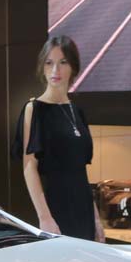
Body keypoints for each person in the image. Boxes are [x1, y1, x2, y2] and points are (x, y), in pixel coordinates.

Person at [12, 35, 104, 241]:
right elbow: (29, 167)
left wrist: (96, 219)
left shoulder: (77, 112)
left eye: (63, 62)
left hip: (83, 210)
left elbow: (81, 172)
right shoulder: (34, 109)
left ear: (73, 67)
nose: (55, 70)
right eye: (49, 63)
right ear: (42, 67)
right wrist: (44, 217)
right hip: (54, 209)